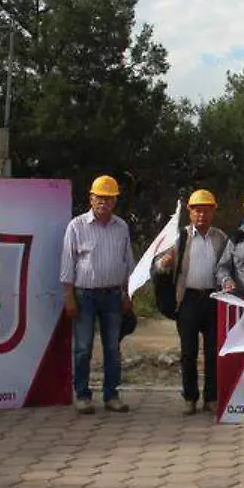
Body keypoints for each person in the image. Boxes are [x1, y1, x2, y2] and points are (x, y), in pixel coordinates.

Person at [60, 175, 135, 414]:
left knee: (112, 347)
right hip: (84, 296)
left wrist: (127, 294)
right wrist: (69, 297)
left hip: (113, 295)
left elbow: (128, 263)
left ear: (115, 201)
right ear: (91, 198)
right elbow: (67, 264)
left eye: (109, 198)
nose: (104, 202)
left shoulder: (121, 227)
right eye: (99, 197)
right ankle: (82, 395)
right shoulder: (76, 226)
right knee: (83, 348)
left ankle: (111, 395)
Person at [154, 189, 228, 415]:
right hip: (187, 301)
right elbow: (157, 265)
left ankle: (211, 398)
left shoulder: (221, 238)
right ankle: (190, 398)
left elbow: (228, 266)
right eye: (197, 211)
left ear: (213, 212)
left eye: (206, 210)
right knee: (188, 352)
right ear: (190, 212)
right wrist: (165, 263)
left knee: (214, 352)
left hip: (214, 300)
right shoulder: (180, 237)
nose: (202, 215)